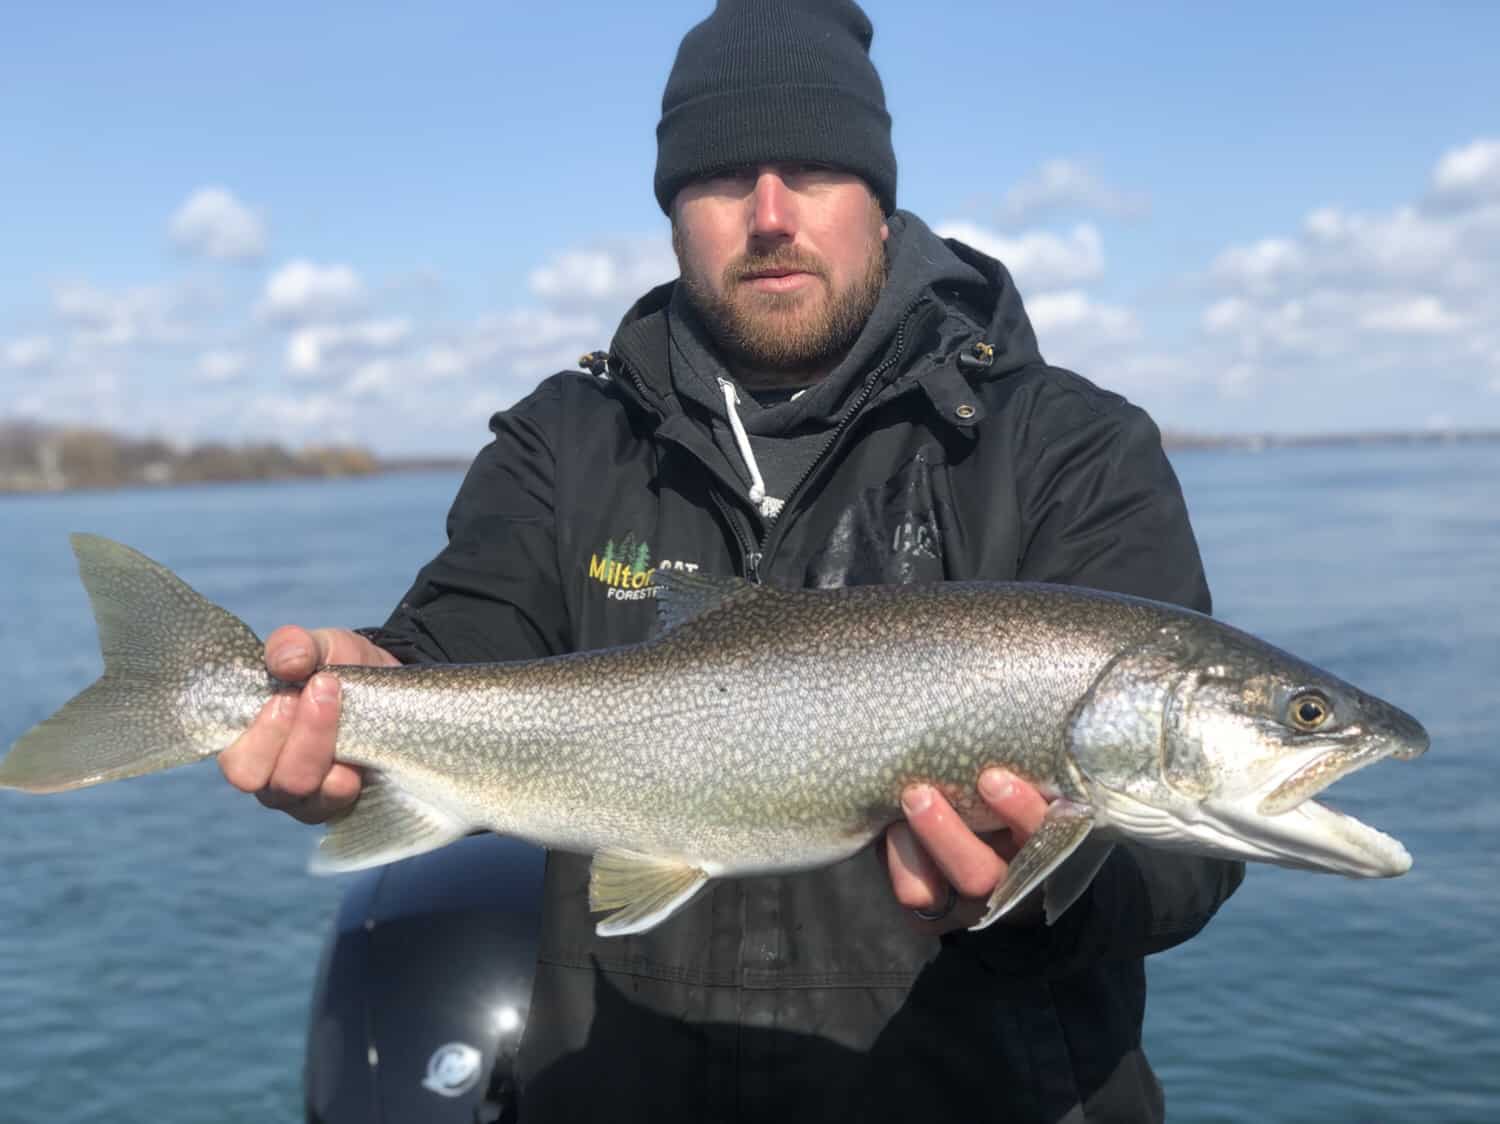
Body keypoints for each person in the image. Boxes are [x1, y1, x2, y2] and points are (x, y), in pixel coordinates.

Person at [221, 1, 1243, 1118]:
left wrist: (1037, 890)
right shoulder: (563, 442)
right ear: (670, 211)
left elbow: (1186, 857)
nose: (769, 214)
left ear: (880, 197)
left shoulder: (1068, 446)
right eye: (719, 177)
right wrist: (364, 693)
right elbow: (460, 642)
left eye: (812, 166)